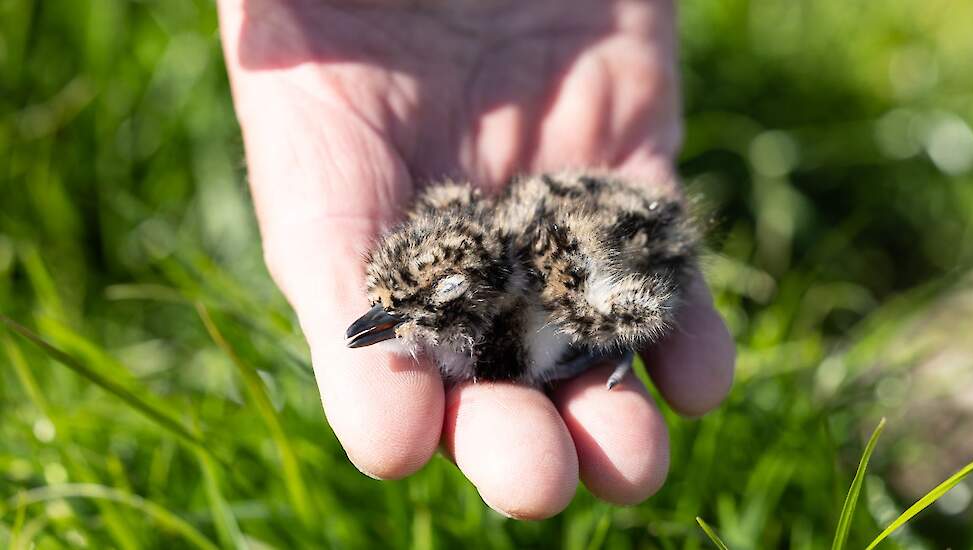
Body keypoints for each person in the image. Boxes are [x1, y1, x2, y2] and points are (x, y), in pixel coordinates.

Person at [216, 0, 735, 519]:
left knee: (585, 322)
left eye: (413, 309)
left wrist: (608, 338)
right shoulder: (484, 257)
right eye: (390, 306)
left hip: (610, 236)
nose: (382, 321)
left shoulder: (562, 287)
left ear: (469, 302)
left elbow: (641, 296)